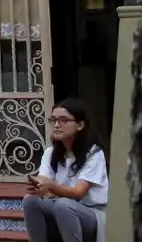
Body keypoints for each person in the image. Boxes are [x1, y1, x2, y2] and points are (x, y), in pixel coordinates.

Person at [22, 98, 109, 242]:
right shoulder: (50, 153)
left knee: (64, 205)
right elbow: (43, 183)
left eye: (63, 120)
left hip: (92, 214)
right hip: (62, 209)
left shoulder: (94, 153)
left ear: (80, 125)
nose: (56, 125)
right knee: (30, 201)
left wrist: (50, 187)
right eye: (53, 120)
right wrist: (37, 185)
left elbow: (78, 193)